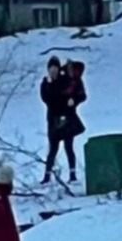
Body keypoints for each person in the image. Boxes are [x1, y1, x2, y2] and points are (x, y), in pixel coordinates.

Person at [40, 56, 86, 184]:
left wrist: (74, 101)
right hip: (53, 120)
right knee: (53, 149)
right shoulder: (45, 83)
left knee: (68, 147)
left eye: (55, 68)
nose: (53, 71)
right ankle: (47, 176)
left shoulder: (65, 81)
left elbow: (74, 94)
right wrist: (50, 85)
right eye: (51, 68)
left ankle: (72, 174)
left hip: (66, 118)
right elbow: (46, 99)